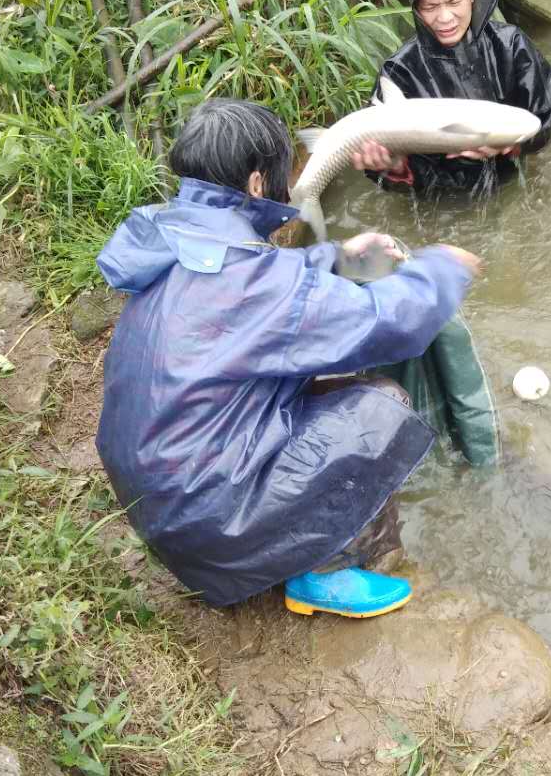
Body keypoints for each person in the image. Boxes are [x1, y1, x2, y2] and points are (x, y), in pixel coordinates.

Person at [95, 99, 480, 617]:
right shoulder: (258, 282)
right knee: (379, 406)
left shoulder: (173, 238)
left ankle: (276, 544)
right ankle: (328, 567)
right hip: (211, 524)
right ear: (257, 184)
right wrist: (442, 269)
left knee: (318, 381)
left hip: (157, 501)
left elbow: (258, 277)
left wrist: (336, 256)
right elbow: (390, 322)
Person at [350, 0, 551, 194]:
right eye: (430, 7)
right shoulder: (398, 72)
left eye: (453, 1)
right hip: (441, 201)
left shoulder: (510, 45)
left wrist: (513, 145)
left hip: (511, 184)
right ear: (417, 10)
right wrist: (394, 167)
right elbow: (379, 170)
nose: (445, 18)